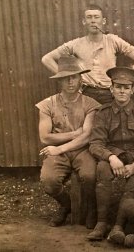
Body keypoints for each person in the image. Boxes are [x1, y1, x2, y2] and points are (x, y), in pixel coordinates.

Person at [86, 66, 134, 241]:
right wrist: (111, 157)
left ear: (132, 90)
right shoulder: (103, 113)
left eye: (126, 87)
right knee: (102, 169)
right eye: (118, 86)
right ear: (111, 89)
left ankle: (118, 226)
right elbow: (95, 144)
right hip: (113, 157)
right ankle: (101, 223)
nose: (122, 91)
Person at [36, 56, 101, 228]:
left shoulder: (91, 104)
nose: (71, 81)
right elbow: (45, 137)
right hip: (58, 152)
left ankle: (92, 208)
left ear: (81, 79)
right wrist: (75, 133)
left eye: (74, 76)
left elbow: (87, 136)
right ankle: (66, 205)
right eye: (66, 78)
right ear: (59, 81)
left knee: (90, 175)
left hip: (82, 150)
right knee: (49, 181)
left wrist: (61, 146)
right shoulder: (47, 104)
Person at [41, 4, 134, 104]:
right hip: (86, 93)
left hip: (110, 94)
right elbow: (47, 59)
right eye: (89, 17)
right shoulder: (76, 44)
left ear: (103, 21)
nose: (93, 21)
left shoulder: (113, 40)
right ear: (84, 21)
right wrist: (67, 78)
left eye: (96, 17)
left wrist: (124, 78)